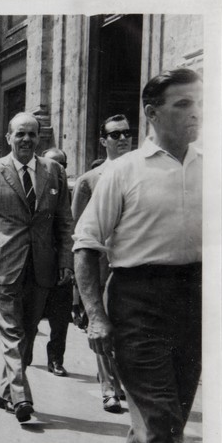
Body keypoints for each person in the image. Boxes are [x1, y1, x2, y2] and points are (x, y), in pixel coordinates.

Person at [74, 68, 203, 443]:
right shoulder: (123, 172)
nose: (195, 113)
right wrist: (95, 316)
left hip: (195, 303)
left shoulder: (214, 168)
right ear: (152, 113)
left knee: (163, 420)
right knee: (161, 422)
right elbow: (86, 245)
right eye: (182, 104)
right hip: (138, 305)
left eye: (198, 102)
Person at [0, 112, 74, 424]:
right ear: (8, 138)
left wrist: (66, 261)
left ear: (40, 139)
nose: (26, 140)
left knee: (27, 334)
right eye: (20, 134)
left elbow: (65, 222)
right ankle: (21, 395)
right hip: (5, 264)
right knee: (12, 332)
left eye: (32, 135)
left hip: (41, 266)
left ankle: (5, 392)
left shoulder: (53, 171)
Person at [71, 114, 131, 413]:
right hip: (102, 266)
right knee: (103, 324)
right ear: (103, 141)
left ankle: (119, 384)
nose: (122, 139)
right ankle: (109, 388)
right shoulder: (88, 181)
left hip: (133, 264)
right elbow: (79, 235)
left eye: (126, 134)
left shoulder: (139, 172)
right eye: (115, 135)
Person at [33, 147, 74, 378]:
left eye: (61, 165)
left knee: (60, 320)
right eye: (50, 164)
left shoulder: (73, 192)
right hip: (37, 264)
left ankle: (56, 359)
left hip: (62, 266)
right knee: (30, 317)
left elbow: (71, 229)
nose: (56, 169)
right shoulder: (34, 191)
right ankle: (25, 353)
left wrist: (68, 263)